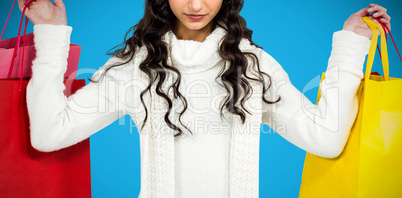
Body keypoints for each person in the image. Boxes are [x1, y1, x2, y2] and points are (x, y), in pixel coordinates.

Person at [18, 0, 391, 197]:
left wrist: (351, 44)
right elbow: (50, 133)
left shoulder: (253, 66)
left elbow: (324, 138)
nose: (196, 6)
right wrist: (50, 35)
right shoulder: (135, 66)